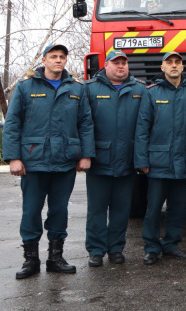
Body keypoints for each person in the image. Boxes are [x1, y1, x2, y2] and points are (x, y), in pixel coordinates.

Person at [4, 44, 94, 279]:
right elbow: (13, 123)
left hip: (65, 161)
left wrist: (85, 155)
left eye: (62, 57)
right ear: (44, 60)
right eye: (53, 56)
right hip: (34, 160)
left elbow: (85, 123)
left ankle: (55, 258)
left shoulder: (77, 88)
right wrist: (13, 157)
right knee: (31, 211)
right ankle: (30, 260)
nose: (58, 60)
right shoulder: (26, 87)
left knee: (59, 210)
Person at [134, 52, 186, 265]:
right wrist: (142, 161)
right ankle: (152, 247)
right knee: (153, 208)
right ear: (162, 67)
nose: (174, 66)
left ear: (182, 67)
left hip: (183, 162)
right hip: (158, 162)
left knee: (178, 208)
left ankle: (172, 244)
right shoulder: (152, 93)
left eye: (177, 62)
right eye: (169, 63)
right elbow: (142, 129)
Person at [84, 50, 146, 267]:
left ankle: (116, 248)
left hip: (127, 161)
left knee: (121, 210)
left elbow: (144, 125)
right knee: (97, 210)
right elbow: (84, 125)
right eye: (116, 63)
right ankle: (96, 250)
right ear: (106, 65)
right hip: (99, 160)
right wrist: (85, 155)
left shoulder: (140, 89)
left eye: (124, 63)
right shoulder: (90, 89)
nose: (121, 67)